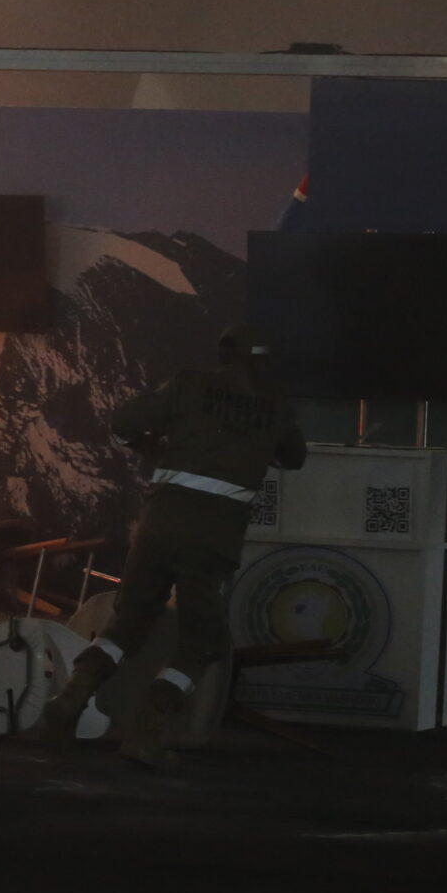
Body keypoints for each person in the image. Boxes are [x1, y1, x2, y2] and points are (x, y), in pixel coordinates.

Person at [39, 325, 306, 767]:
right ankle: (147, 732)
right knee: (204, 642)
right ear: (265, 360)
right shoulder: (276, 405)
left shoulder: (188, 386)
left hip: (158, 526)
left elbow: (122, 424)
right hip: (212, 539)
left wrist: (152, 450)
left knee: (128, 624)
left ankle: (70, 699)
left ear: (223, 352)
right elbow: (293, 458)